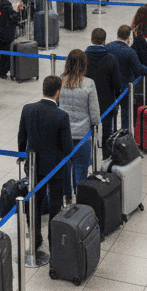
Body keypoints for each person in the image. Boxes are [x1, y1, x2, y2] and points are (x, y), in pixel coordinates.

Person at [18, 75, 72, 251]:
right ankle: (54, 239)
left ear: (43, 89)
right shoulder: (62, 116)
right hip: (55, 167)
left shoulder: (28, 109)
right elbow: (67, 147)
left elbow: (22, 138)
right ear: (58, 92)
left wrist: (24, 157)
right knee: (55, 203)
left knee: (35, 202)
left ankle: (35, 238)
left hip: (34, 165)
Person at [59, 49, 100, 199]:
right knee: (81, 171)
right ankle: (80, 202)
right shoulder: (89, 84)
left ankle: (66, 196)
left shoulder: (60, 82)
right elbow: (95, 115)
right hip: (83, 135)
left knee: (64, 169)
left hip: (64, 135)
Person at [105, 25, 147, 132]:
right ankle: (125, 134)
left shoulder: (108, 47)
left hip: (110, 86)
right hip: (124, 87)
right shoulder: (130, 52)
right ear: (129, 38)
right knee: (126, 112)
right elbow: (138, 70)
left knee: (110, 112)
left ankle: (110, 134)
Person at [86, 27, 124, 144]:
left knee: (88, 130)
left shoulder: (83, 57)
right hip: (107, 102)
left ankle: (90, 154)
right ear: (104, 41)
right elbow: (117, 84)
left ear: (92, 40)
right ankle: (106, 155)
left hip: (87, 101)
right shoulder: (111, 59)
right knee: (107, 131)